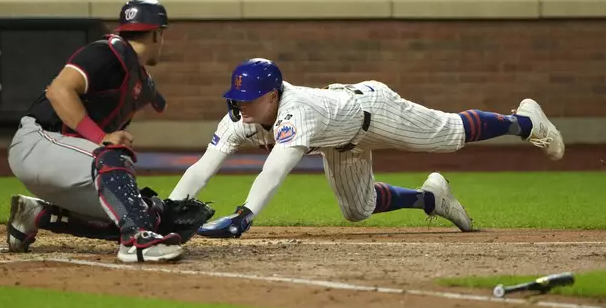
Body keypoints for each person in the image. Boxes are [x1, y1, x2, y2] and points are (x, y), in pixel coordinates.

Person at [168, 58, 564, 239]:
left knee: (450, 134)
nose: (240, 105)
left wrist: (244, 215)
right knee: (358, 209)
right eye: (237, 97)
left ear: (273, 96)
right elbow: (203, 167)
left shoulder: (295, 111)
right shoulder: (241, 119)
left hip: (373, 111)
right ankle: (431, 198)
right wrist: (168, 211)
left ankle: (527, 122)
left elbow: (274, 170)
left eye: (249, 98)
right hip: (340, 140)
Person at [7, 0, 197, 263]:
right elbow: (59, 90)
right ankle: (136, 242)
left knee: (146, 212)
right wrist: (102, 137)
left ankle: (38, 214)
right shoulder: (105, 53)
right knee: (112, 155)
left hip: (68, 164)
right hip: (39, 143)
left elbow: (149, 97)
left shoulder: (138, 76)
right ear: (157, 34)